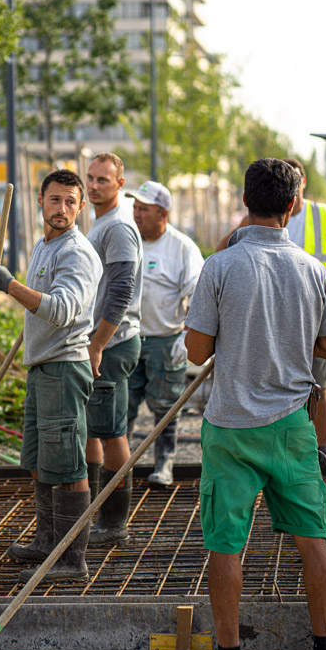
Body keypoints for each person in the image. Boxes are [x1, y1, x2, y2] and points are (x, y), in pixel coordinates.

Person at [183, 158, 326, 650]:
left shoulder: (219, 267)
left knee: (226, 544)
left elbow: (197, 350)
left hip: (230, 428)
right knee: (312, 539)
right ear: (294, 206)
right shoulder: (312, 269)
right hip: (294, 427)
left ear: (244, 201)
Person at [0, 169, 102, 583]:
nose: (63, 209)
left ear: (81, 207)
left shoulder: (77, 253)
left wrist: (9, 284)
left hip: (65, 369)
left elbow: (62, 310)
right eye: (55, 200)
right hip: (42, 367)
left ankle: (72, 560)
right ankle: (48, 541)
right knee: (38, 461)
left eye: (71, 202)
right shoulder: (43, 245)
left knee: (68, 465)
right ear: (40, 201)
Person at [216, 157, 326, 463]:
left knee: (320, 383)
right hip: (271, 302)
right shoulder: (262, 214)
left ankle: (323, 447)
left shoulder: (320, 213)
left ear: (301, 183)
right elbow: (224, 246)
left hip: (311, 310)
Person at [126, 181, 204, 485]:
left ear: (162, 213)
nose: (137, 214)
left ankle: (164, 464)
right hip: (128, 338)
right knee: (123, 406)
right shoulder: (129, 242)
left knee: (166, 407)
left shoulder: (182, 247)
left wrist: (188, 335)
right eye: (135, 208)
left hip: (164, 339)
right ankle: (122, 466)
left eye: (143, 209)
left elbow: (198, 294)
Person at [83, 153, 143, 546]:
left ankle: (114, 524)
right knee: (94, 429)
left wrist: (98, 344)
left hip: (113, 344)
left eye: (103, 179)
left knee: (112, 432)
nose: (93, 186)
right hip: (99, 342)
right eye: (89, 178)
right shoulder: (100, 221)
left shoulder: (119, 227)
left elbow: (121, 291)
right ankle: (92, 515)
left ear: (120, 183)